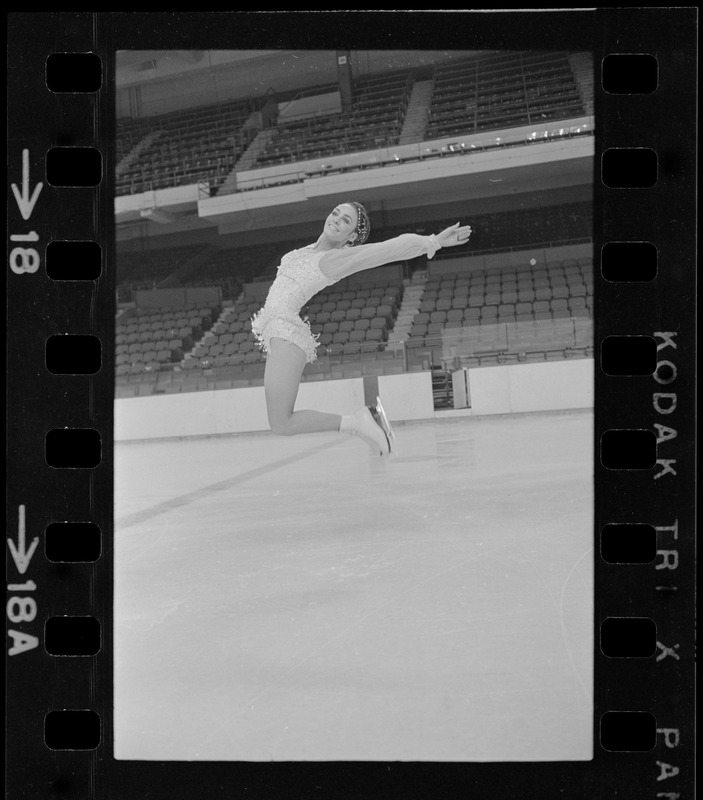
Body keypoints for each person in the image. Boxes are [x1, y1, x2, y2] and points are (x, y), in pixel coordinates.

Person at [251, 201, 472, 456]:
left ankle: (358, 422)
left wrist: (432, 242)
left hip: (286, 334)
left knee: (282, 422)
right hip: (279, 334)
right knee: (280, 423)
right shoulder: (305, 252)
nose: (336, 219)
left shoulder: (333, 260)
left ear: (352, 236)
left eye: (346, 221)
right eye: (335, 213)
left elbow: (385, 250)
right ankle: (357, 422)